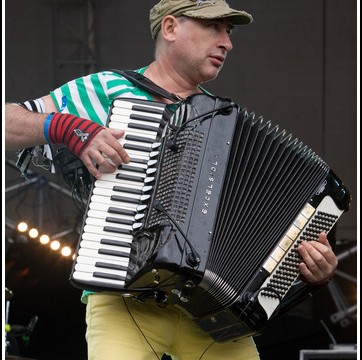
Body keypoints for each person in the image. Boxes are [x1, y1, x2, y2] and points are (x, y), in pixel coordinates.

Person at [5, 1, 338, 359]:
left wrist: (310, 270)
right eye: (215, 28)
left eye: (229, 32)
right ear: (170, 28)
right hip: (125, 301)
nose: (227, 43)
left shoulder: (223, 124)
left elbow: (255, 237)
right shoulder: (107, 89)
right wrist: (64, 125)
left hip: (209, 312)